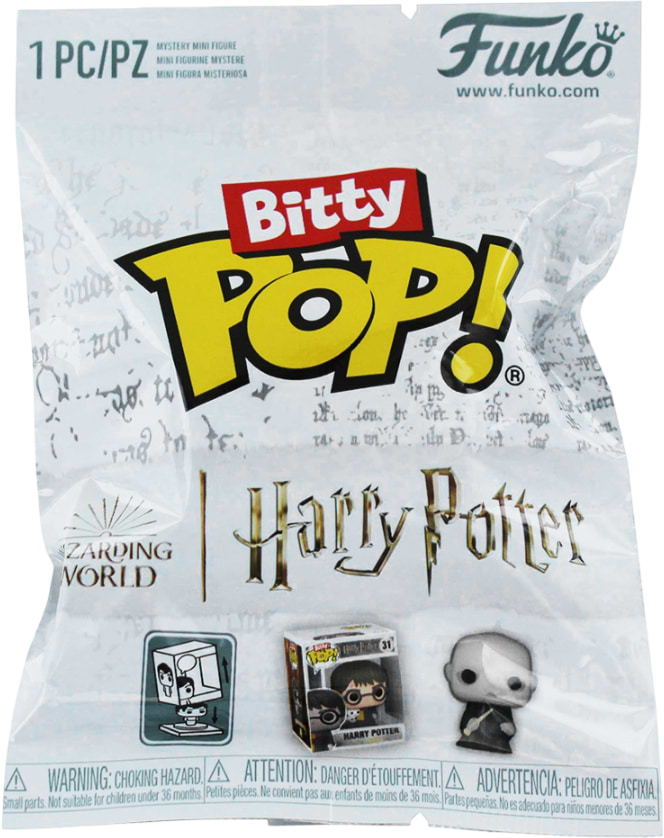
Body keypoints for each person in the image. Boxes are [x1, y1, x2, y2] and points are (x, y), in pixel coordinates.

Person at [444, 632, 536, 754]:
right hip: (471, 740)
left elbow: (509, 726)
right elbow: (465, 723)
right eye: (469, 676)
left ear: (531, 683)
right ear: (449, 673)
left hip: (499, 744)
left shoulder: (503, 708)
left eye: (514, 683)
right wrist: (467, 726)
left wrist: (510, 729)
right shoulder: (474, 705)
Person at [330, 660, 387, 727]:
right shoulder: (343, 712)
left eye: (378, 692)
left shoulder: (370, 709)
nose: (366, 699)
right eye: (353, 696)